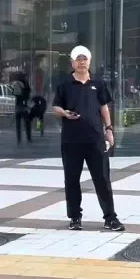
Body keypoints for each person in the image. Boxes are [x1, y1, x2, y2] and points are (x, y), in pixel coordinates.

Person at [52, 46, 124, 232]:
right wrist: (65, 114)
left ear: (89, 61)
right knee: (72, 180)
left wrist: (109, 129)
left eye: (84, 58)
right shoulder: (65, 85)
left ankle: (110, 218)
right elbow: (56, 107)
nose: (81, 62)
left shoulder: (98, 84)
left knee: (102, 179)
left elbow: (104, 108)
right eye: (78, 59)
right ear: (72, 62)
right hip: (71, 141)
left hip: (95, 140)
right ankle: (75, 217)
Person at [13, 72, 32, 144]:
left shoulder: (15, 83)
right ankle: (28, 137)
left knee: (18, 124)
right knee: (27, 122)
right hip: (24, 106)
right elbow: (28, 91)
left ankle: (19, 138)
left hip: (18, 105)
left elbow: (14, 93)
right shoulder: (25, 83)